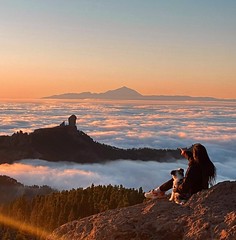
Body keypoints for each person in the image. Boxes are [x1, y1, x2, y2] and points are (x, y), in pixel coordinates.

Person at [145, 143, 216, 200]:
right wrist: (185, 153)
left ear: (195, 155)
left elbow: (185, 186)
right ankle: (158, 191)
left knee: (176, 179)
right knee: (177, 179)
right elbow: (193, 160)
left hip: (191, 193)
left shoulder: (193, 168)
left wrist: (176, 189)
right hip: (200, 189)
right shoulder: (207, 165)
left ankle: (156, 192)